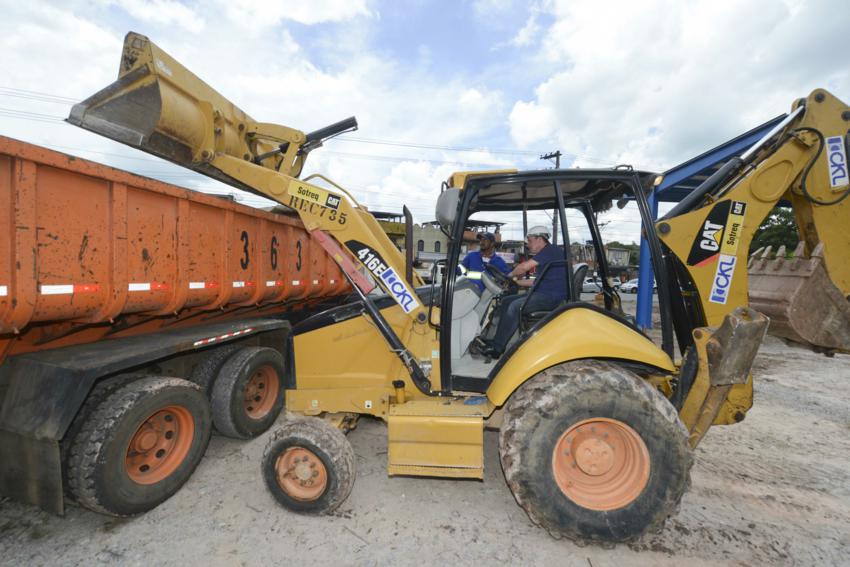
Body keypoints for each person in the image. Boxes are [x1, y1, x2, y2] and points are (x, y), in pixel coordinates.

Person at [480, 226, 567, 357]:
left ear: (540, 239)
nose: (528, 244)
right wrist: (515, 282)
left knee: (515, 307)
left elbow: (523, 267)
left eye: (530, 240)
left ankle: (497, 348)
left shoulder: (550, 250)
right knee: (506, 301)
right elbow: (535, 281)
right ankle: (496, 340)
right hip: (543, 293)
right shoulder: (548, 254)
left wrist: (508, 276)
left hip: (550, 297)